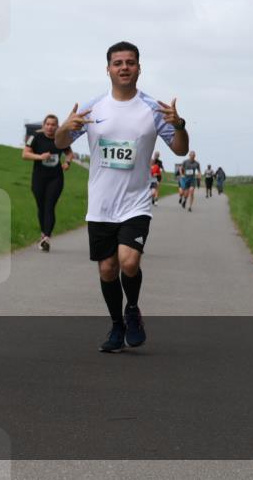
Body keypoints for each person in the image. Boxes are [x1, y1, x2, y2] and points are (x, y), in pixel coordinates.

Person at [55, 41, 188, 353]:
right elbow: (61, 141)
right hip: (101, 205)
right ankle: (117, 323)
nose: (124, 67)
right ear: (108, 69)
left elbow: (180, 149)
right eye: (118, 63)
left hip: (136, 202)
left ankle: (133, 310)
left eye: (130, 62)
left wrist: (179, 125)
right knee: (107, 269)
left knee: (129, 261)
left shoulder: (155, 110)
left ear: (139, 68)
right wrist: (65, 127)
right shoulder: (93, 109)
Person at [23, 114, 74, 252]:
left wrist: (67, 162)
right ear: (43, 125)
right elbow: (25, 154)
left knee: (49, 206)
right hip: (39, 177)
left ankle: (46, 237)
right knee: (41, 207)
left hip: (56, 178)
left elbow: (70, 154)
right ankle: (43, 234)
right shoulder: (35, 137)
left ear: (57, 126)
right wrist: (39, 156)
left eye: (53, 125)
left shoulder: (61, 139)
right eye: (48, 124)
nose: (50, 127)